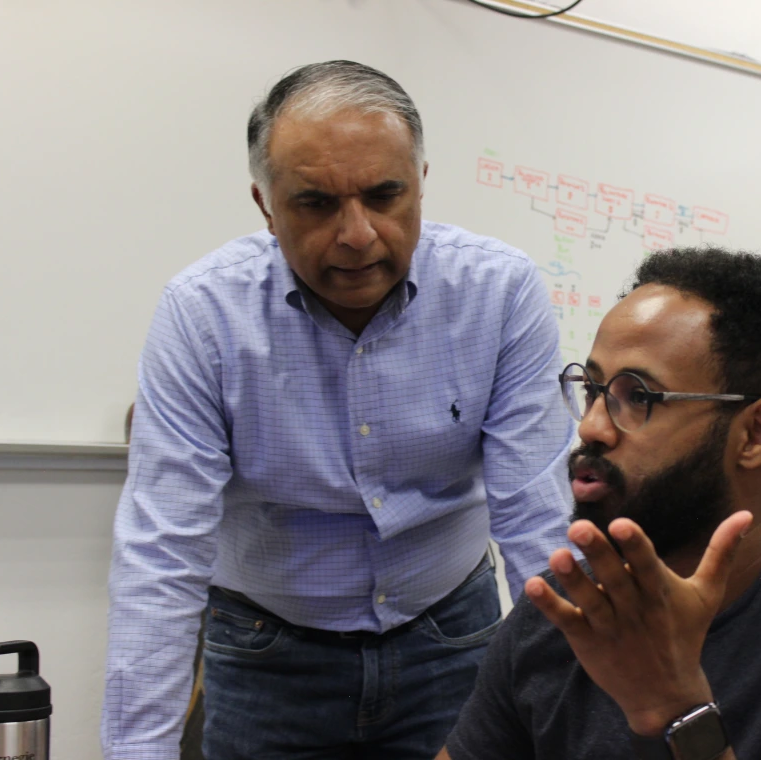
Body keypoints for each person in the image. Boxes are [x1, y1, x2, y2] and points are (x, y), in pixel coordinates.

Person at [101, 61, 575, 760]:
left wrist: (571, 721)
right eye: (316, 203)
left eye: (386, 196)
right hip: (268, 647)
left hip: (450, 633)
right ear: (266, 205)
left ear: (421, 183)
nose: (358, 234)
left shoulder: (499, 292)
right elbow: (162, 552)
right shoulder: (204, 314)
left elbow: (538, 523)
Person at [440, 247, 761, 760]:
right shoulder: (564, 607)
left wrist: (675, 708)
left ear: (756, 434)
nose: (591, 426)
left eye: (637, 396)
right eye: (593, 388)